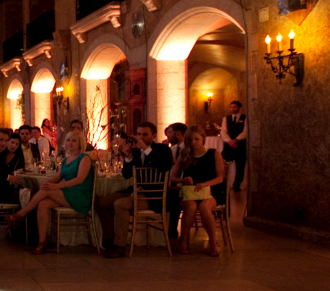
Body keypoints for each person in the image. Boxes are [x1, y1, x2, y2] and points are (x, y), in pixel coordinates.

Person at [4, 131, 93, 254]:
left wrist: (55, 186)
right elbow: (57, 177)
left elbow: (80, 179)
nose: (70, 143)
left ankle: (21, 214)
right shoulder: (66, 160)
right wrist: (47, 183)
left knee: (47, 190)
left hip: (80, 195)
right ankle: (42, 242)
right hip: (68, 193)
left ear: (80, 143)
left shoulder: (85, 158)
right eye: (68, 140)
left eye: (74, 141)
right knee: (43, 204)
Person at [97, 122, 174, 259]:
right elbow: (127, 174)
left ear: (154, 135)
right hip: (135, 190)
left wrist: (146, 149)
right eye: (138, 134)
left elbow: (164, 166)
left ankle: (120, 246)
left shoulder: (163, 149)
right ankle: (109, 241)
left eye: (144, 134)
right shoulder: (137, 151)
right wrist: (128, 157)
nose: (140, 137)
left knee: (120, 204)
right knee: (103, 201)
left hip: (154, 196)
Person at [173, 126, 226, 256]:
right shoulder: (185, 155)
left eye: (196, 139)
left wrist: (205, 184)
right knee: (190, 207)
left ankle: (213, 242)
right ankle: (183, 239)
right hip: (190, 191)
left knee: (204, 207)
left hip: (210, 189)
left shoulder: (214, 153)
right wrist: (183, 180)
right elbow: (172, 177)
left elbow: (220, 177)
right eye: (190, 140)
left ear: (203, 138)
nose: (193, 142)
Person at [220, 101, 247, 191]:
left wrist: (236, 140)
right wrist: (230, 141)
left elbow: (245, 131)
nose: (232, 109)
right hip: (229, 145)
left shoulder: (245, 118)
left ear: (239, 107)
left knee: (240, 165)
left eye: (234, 107)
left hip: (240, 145)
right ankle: (222, 182)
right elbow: (223, 131)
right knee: (223, 164)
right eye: (231, 107)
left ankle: (237, 184)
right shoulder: (226, 118)